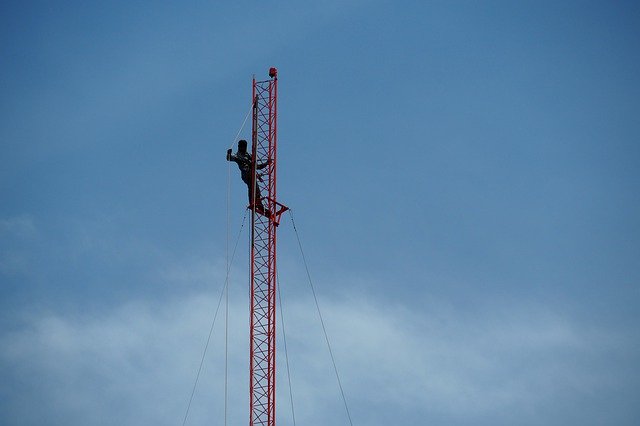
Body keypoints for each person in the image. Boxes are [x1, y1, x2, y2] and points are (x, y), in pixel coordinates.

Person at [226, 139, 271, 215]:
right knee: (251, 186)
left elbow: (257, 166)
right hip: (246, 175)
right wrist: (228, 154)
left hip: (251, 174)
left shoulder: (249, 155)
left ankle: (260, 206)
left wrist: (266, 163)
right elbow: (229, 158)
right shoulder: (237, 156)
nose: (243, 148)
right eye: (241, 147)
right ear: (239, 147)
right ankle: (252, 202)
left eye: (244, 147)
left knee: (256, 189)